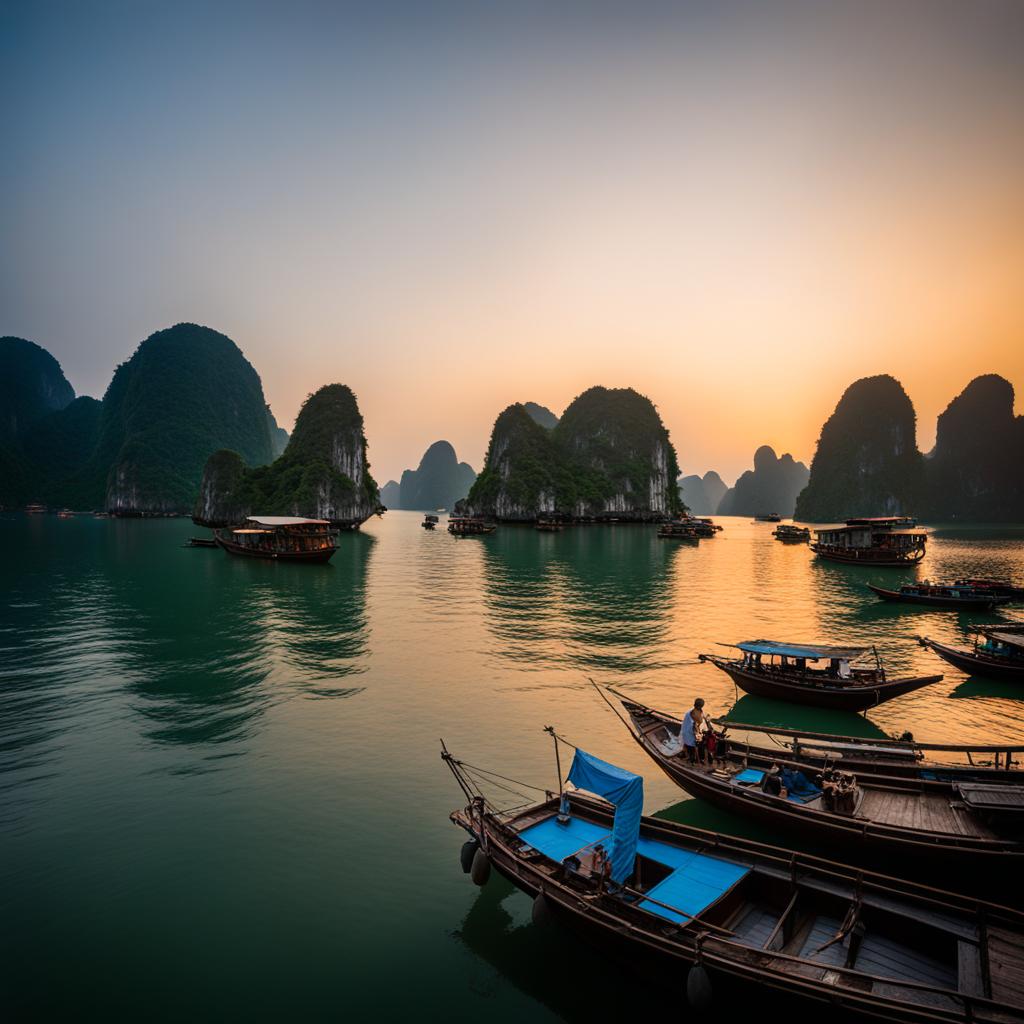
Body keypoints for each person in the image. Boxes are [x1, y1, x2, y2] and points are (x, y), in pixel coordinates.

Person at [680, 698, 707, 764]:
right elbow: (694, 727)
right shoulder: (693, 714)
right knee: (692, 747)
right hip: (689, 733)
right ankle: (692, 760)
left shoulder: (699, 711)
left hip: (688, 731)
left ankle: (689, 755)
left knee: (694, 744)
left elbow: (701, 722)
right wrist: (697, 735)